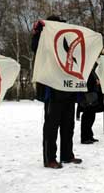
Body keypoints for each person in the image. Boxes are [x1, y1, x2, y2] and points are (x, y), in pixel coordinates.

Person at [32, 15, 82, 169]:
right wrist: (38, 31)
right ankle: (50, 158)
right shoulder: (44, 38)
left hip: (69, 88)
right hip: (53, 90)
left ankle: (67, 154)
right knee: (51, 127)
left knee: (69, 125)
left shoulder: (67, 39)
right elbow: (35, 48)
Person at [78, 67, 104, 144]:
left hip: (93, 94)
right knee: (87, 117)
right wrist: (96, 82)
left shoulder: (91, 69)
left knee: (91, 116)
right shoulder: (85, 69)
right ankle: (84, 137)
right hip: (87, 95)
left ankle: (89, 135)